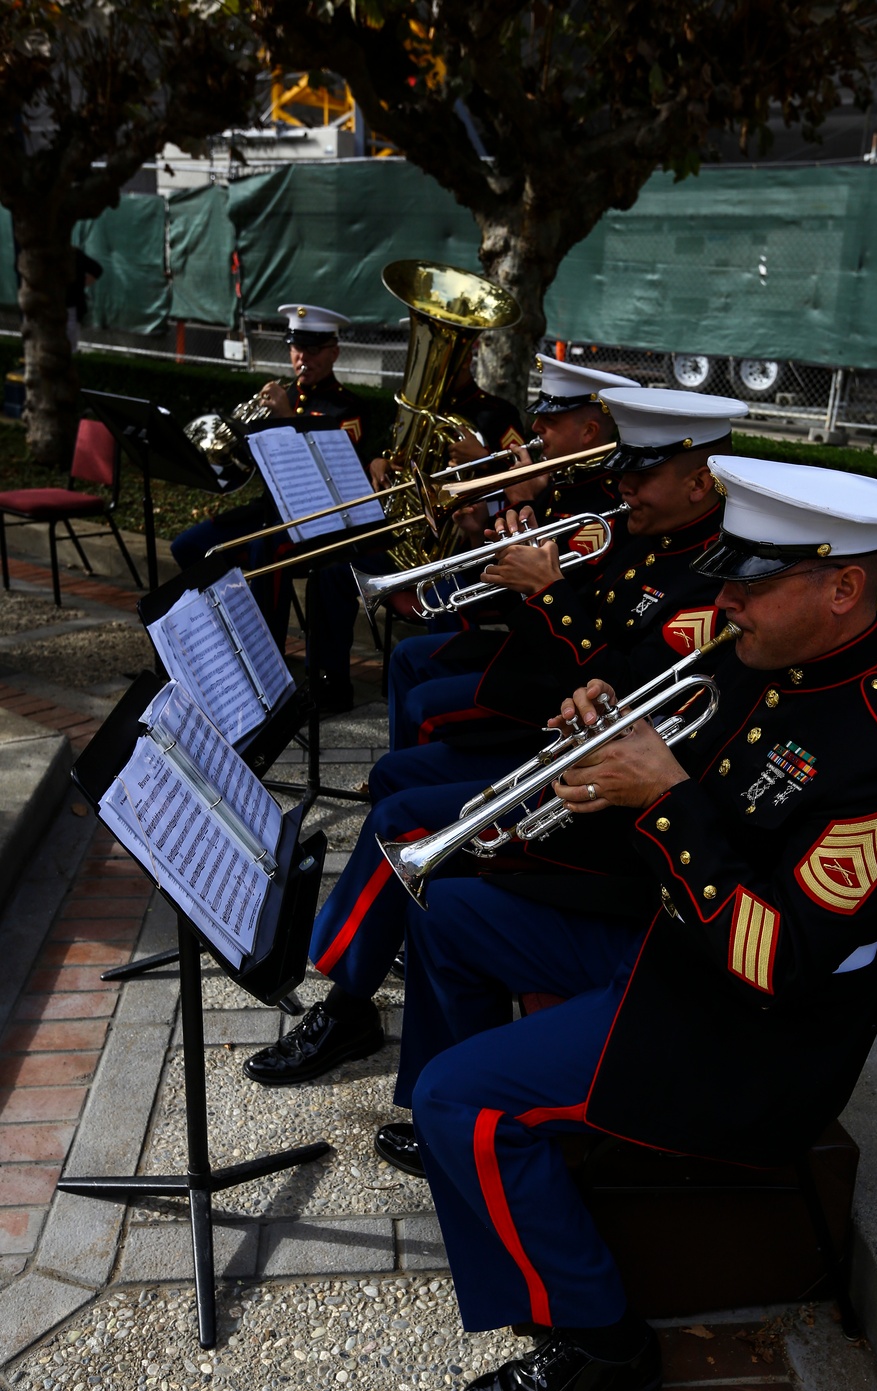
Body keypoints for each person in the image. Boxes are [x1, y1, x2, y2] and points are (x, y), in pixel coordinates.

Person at [376, 456, 877, 1391]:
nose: (722, 603)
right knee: (447, 911)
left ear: (844, 587)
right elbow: (681, 813)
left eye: (751, 585)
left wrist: (667, 800)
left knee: (460, 1098)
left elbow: (774, 966)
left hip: (751, 1036)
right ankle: (473, 1164)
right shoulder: (755, 658)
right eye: (726, 577)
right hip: (672, 949)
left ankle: (603, 1343)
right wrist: (598, 757)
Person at [243, 388, 747, 1089]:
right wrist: (506, 537)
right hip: (560, 733)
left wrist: (547, 595)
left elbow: (625, 688)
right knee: (398, 780)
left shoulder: (709, 578)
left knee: (402, 813)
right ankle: (363, 979)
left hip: (599, 787)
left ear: (701, 482)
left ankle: (347, 1001)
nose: (622, 485)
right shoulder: (641, 529)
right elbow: (578, 625)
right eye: (624, 471)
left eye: (641, 476)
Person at [386, 354, 640, 752]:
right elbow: (504, 597)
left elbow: (545, 605)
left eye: (549, 421)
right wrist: (475, 537)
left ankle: (415, 777)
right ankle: (409, 770)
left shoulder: (603, 504)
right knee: (406, 656)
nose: (535, 428)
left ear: (590, 432)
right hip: (528, 644)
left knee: (424, 702)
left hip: (552, 665)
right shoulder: (562, 487)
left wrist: (516, 505)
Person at [170, 304, 370, 713]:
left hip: (317, 520)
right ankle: (224, 652)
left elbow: (328, 469)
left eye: (313, 350)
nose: (302, 358)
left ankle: (267, 670)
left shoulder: (346, 409)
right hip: (270, 510)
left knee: (268, 551)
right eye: (296, 348)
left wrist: (285, 417)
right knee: (189, 548)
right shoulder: (285, 395)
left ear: (333, 352)